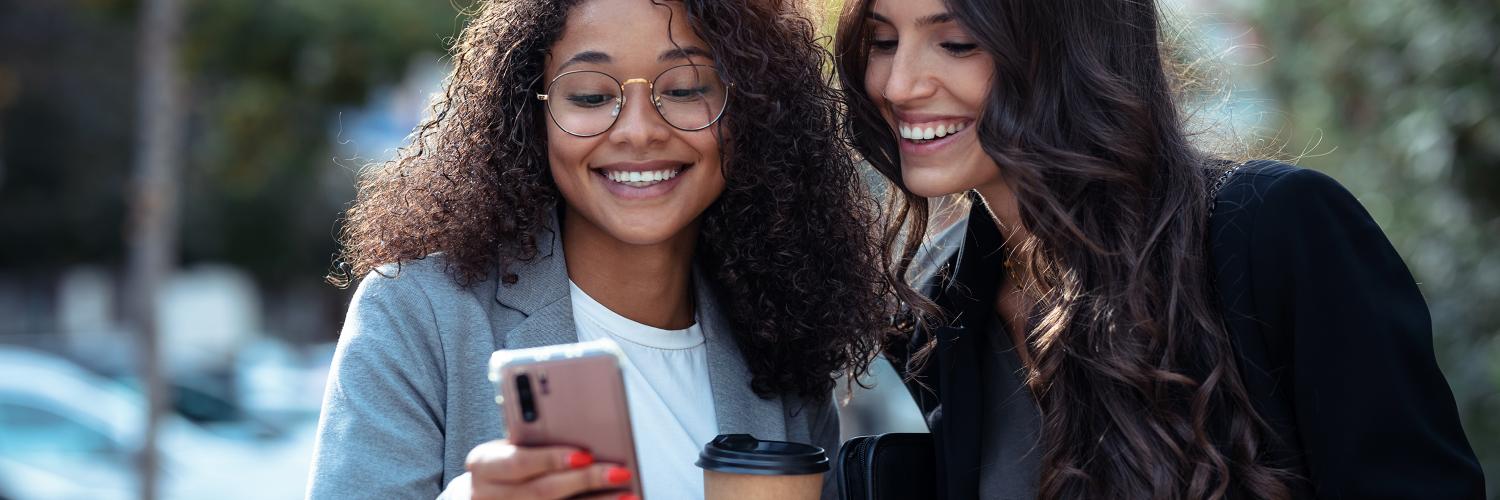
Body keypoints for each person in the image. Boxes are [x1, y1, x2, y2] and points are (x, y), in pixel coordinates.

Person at [834, 0, 1485, 498]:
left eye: (956, 42)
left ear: (1071, 47)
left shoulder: (1273, 232)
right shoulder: (935, 313)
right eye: (882, 41)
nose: (898, 84)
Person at [307, 0, 887, 498]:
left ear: (752, 112)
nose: (638, 130)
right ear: (531, 119)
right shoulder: (418, 316)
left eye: (685, 88)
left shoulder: (779, 340)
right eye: (588, 96)